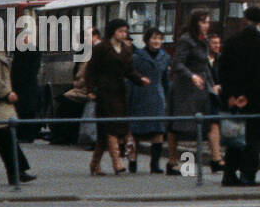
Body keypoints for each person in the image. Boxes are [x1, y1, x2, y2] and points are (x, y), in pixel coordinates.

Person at [88, 19, 150, 175]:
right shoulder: (101, 47)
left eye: (125, 31)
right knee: (110, 127)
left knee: (105, 133)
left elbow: (129, 71)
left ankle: (94, 164)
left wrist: (140, 79)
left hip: (120, 92)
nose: (124, 34)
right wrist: (90, 89)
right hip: (104, 92)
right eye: (120, 31)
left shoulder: (126, 49)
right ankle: (117, 163)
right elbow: (91, 69)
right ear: (113, 31)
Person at [218, 7, 260, 187]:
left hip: (233, 98)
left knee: (234, 137)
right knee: (253, 138)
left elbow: (223, 71)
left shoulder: (232, 42)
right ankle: (248, 175)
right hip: (255, 98)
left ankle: (229, 174)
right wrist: (247, 96)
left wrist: (232, 96)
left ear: (245, 19)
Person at [166, 10, 217, 175]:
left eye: (208, 22)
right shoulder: (187, 39)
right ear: (195, 23)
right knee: (180, 125)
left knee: (200, 124)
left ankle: (200, 163)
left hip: (200, 88)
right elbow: (177, 63)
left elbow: (204, 66)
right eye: (203, 22)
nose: (206, 26)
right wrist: (192, 76)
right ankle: (174, 162)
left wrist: (212, 85)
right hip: (184, 89)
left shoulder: (204, 40)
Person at [0, 17, 34, 184]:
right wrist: (6, 92)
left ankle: (17, 172)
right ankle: (17, 172)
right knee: (4, 134)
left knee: (6, 134)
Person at [128, 28, 170, 173]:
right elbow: (131, 78)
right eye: (154, 38)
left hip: (158, 97)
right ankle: (132, 161)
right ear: (147, 40)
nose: (157, 41)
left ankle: (155, 164)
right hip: (139, 95)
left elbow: (166, 80)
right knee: (135, 132)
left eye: (159, 38)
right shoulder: (137, 57)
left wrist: (167, 97)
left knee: (158, 131)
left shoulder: (165, 57)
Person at [9, 29, 42, 143]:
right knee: (22, 110)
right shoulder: (19, 50)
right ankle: (23, 134)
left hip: (27, 85)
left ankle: (27, 135)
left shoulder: (30, 50)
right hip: (23, 85)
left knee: (27, 110)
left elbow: (32, 69)